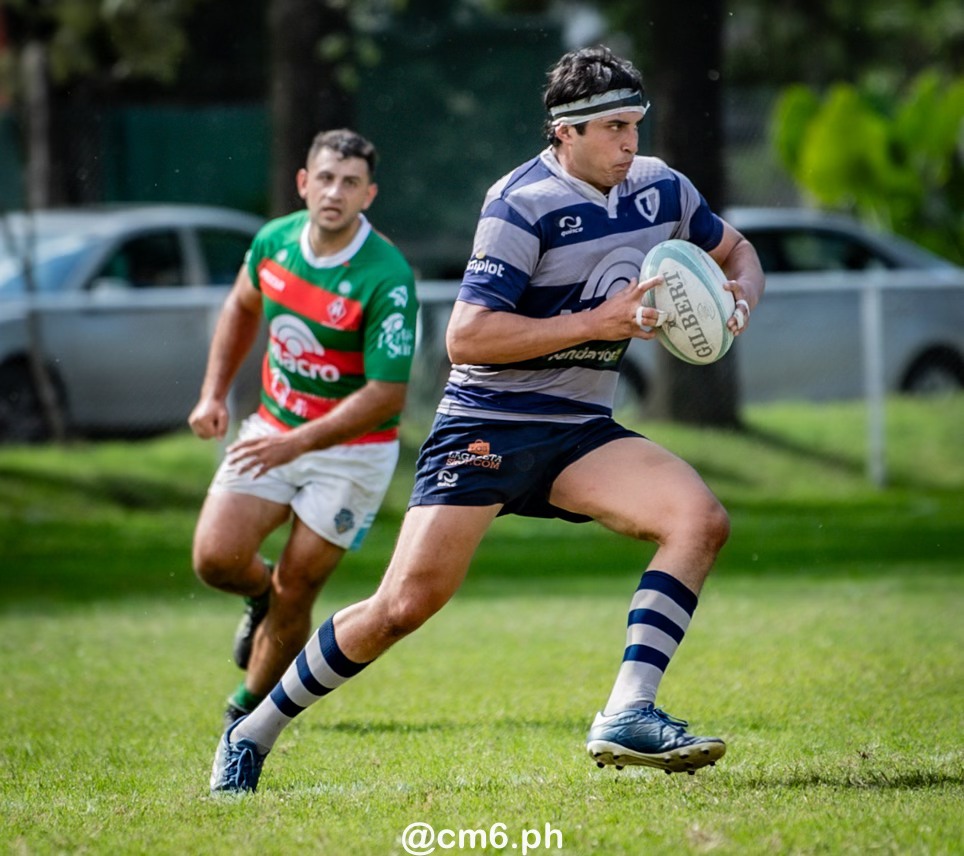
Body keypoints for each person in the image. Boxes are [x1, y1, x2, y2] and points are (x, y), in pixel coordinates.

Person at [209, 46, 765, 794]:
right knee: (401, 607)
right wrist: (597, 321)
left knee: (699, 519)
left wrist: (738, 300)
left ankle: (628, 711)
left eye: (635, 124)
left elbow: (738, 252)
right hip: (488, 424)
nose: (630, 143)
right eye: (612, 128)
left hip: (578, 428)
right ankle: (251, 731)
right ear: (565, 132)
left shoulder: (662, 188)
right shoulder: (520, 203)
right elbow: (466, 337)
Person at [189, 129, 418, 728]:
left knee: (298, 587)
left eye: (350, 183)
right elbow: (241, 306)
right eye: (325, 178)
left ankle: (244, 714)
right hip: (274, 427)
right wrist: (213, 393)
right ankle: (258, 595)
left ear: (369, 195)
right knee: (215, 559)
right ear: (303, 183)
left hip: (352, 452)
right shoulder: (274, 242)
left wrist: (298, 442)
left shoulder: (386, 275)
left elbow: (386, 393)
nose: (334, 192)